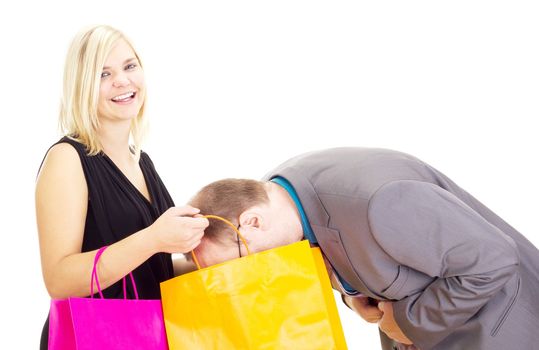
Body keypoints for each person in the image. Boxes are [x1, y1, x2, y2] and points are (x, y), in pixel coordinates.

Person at [188, 147, 539, 350]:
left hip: (497, 335)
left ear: (251, 222)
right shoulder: (279, 199)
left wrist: (408, 322)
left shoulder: (381, 202)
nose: (244, 278)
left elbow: (492, 261)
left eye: (238, 265)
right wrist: (353, 293)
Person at [35, 25, 209, 349]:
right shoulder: (67, 159)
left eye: (130, 66)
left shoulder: (141, 161)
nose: (123, 81)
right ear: (82, 86)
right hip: (93, 339)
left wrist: (216, 257)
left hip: (144, 336)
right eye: (104, 74)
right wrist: (155, 237)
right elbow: (58, 280)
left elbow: (150, 268)